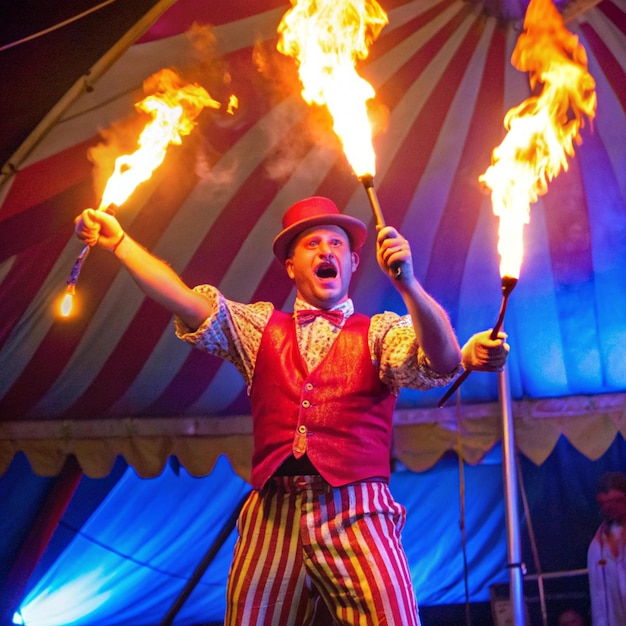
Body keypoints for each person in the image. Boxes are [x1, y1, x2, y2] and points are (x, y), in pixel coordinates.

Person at [74, 196, 509, 626]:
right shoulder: (260, 328)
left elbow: (444, 360)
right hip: (273, 512)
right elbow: (184, 301)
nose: (326, 251)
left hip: (356, 509)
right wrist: (120, 244)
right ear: (290, 266)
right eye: (312, 244)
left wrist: (408, 284)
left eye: (336, 244)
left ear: (354, 263)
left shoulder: (381, 333)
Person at [587, 471, 626, 626]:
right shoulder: (597, 545)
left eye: (617, 501)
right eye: (604, 503)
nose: (610, 507)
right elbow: (599, 596)